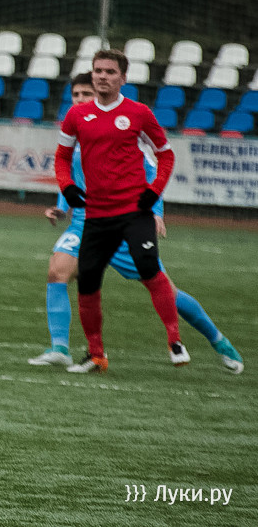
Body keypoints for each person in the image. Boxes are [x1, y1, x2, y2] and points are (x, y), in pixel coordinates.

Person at [30, 73, 243, 374]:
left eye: (85, 94)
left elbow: (152, 172)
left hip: (125, 221)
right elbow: (72, 178)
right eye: (75, 94)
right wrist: (62, 208)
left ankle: (219, 341)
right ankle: (60, 349)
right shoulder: (76, 131)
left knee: (168, 292)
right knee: (57, 271)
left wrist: (155, 212)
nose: (79, 100)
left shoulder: (125, 130)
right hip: (85, 223)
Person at [55, 49, 183, 374]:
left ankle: (174, 341)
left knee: (149, 268)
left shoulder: (139, 113)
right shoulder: (76, 115)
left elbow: (166, 155)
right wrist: (67, 187)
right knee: (88, 283)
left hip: (134, 211)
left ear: (123, 78)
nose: (102, 76)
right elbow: (61, 157)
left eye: (110, 72)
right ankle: (96, 356)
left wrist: (153, 193)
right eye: (98, 70)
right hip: (96, 215)